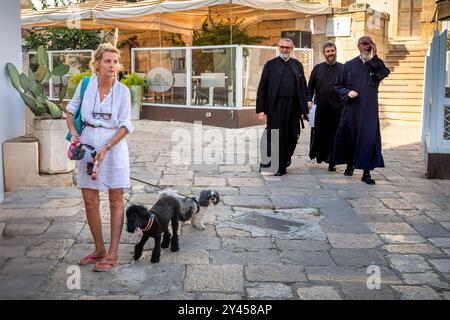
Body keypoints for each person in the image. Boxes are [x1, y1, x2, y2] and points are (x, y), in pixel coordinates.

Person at [66, 43, 134, 271]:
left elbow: (125, 125)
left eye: (115, 62)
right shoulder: (86, 85)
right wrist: (75, 135)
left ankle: (113, 252)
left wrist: (105, 147)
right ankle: (99, 249)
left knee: (116, 198)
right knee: (90, 200)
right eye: (107, 61)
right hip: (87, 144)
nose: (112, 65)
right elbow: (70, 110)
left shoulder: (123, 91)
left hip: (113, 147)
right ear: (96, 64)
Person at [333, 36, 390, 184]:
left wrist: (376, 55)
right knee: (350, 137)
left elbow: (384, 72)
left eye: (370, 44)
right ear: (358, 46)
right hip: (352, 110)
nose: (368, 47)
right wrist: (347, 92)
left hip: (369, 111)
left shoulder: (376, 65)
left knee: (368, 139)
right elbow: (338, 85)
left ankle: (366, 173)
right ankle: (350, 164)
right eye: (365, 44)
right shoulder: (349, 65)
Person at [256, 38, 309, 176]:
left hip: (293, 108)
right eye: (282, 47)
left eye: (287, 48)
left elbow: (303, 86)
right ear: (279, 48)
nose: (284, 50)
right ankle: (277, 166)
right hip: (276, 106)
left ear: (292, 49)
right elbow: (262, 87)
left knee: (292, 135)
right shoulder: (270, 65)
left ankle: (285, 160)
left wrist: (304, 108)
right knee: (276, 136)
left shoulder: (297, 65)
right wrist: (261, 109)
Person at [307, 42, 344, 172]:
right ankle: (319, 154)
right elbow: (310, 87)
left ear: (335, 51)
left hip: (337, 109)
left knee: (333, 135)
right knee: (320, 133)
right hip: (321, 108)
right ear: (324, 53)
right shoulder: (317, 69)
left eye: (332, 51)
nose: (330, 53)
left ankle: (331, 161)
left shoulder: (343, 68)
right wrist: (308, 100)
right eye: (328, 51)